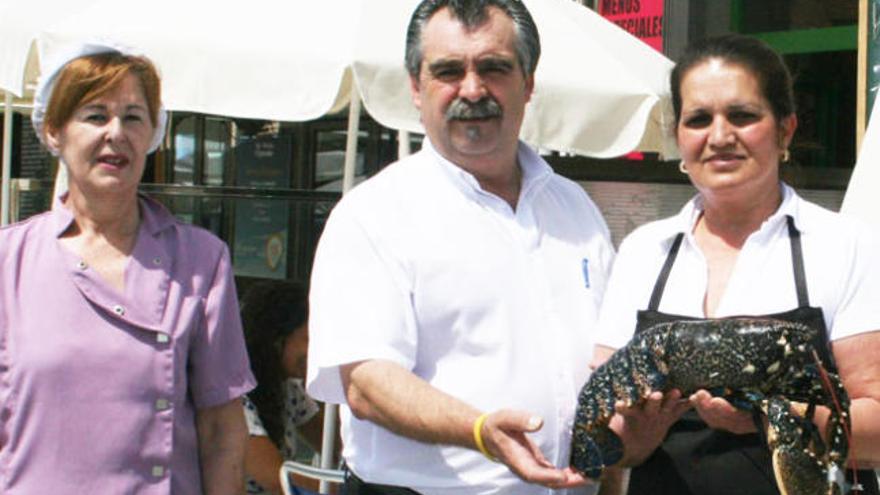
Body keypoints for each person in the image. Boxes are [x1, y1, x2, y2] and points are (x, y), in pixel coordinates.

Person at [306, 0, 615, 493]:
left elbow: (606, 356)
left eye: (494, 68)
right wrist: (479, 431)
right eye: (449, 71)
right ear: (415, 87)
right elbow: (366, 383)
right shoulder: (373, 215)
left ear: (528, 82)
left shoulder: (574, 209)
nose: (472, 89)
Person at [591, 34, 880, 495]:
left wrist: (768, 416)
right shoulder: (643, 251)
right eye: (699, 119)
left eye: (742, 116)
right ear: (678, 137)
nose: (720, 136)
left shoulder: (845, 245)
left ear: (785, 130)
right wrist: (634, 438)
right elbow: (610, 439)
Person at [0, 41, 256, 493]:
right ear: (55, 131)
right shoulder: (8, 261)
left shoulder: (201, 261)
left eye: (133, 117)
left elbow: (222, 431)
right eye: (95, 115)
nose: (115, 133)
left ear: (152, 135)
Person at [240, 280, 326, 495]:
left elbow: (333, 444)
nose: (316, 349)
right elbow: (278, 479)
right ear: (276, 340)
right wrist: (346, 490)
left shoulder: (289, 389)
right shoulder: (234, 397)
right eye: (308, 338)